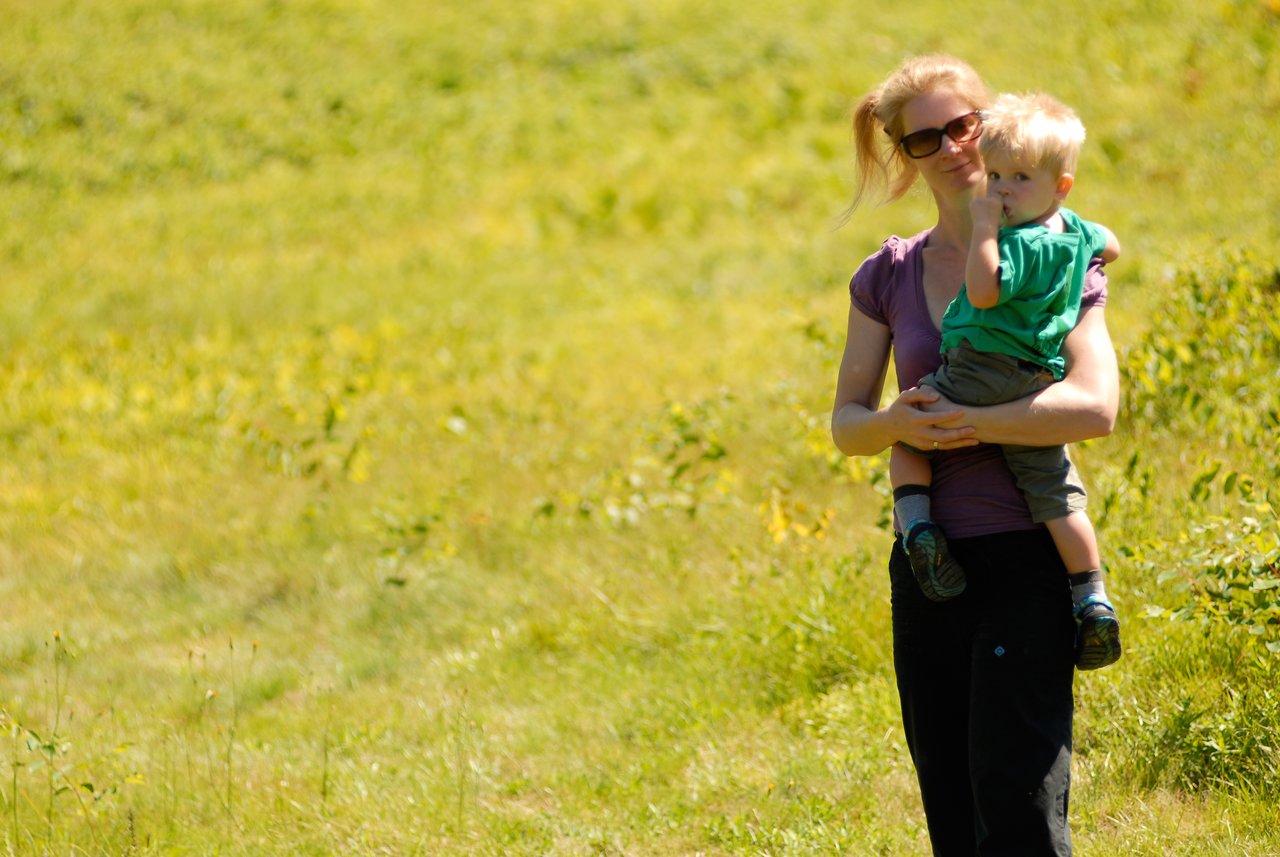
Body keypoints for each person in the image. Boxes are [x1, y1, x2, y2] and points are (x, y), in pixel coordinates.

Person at [831, 55, 1120, 855]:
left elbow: (1096, 408)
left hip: (1027, 554)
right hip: (928, 565)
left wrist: (968, 417)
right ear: (906, 154)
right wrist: (898, 423)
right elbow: (847, 423)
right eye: (926, 137)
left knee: (1021, 808)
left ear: (991, 124)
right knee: (953, 811)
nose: (953, 147)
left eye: (964, 125)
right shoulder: (885, 274)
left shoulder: (1063, 259)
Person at [888, 91, 1123, 672]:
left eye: (1018, 177)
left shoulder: (1013, 239)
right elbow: (1111, 243)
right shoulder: (1077, 234)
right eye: (996, 176)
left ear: (1059, 184)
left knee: (911, 427)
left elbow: (987, 290)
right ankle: (1091, 595)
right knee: (1056, 494)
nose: (1001, 190)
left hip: (976, 367)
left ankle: (918, 528)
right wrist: (1081, 238)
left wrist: (986, 228)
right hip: (1034, 384)